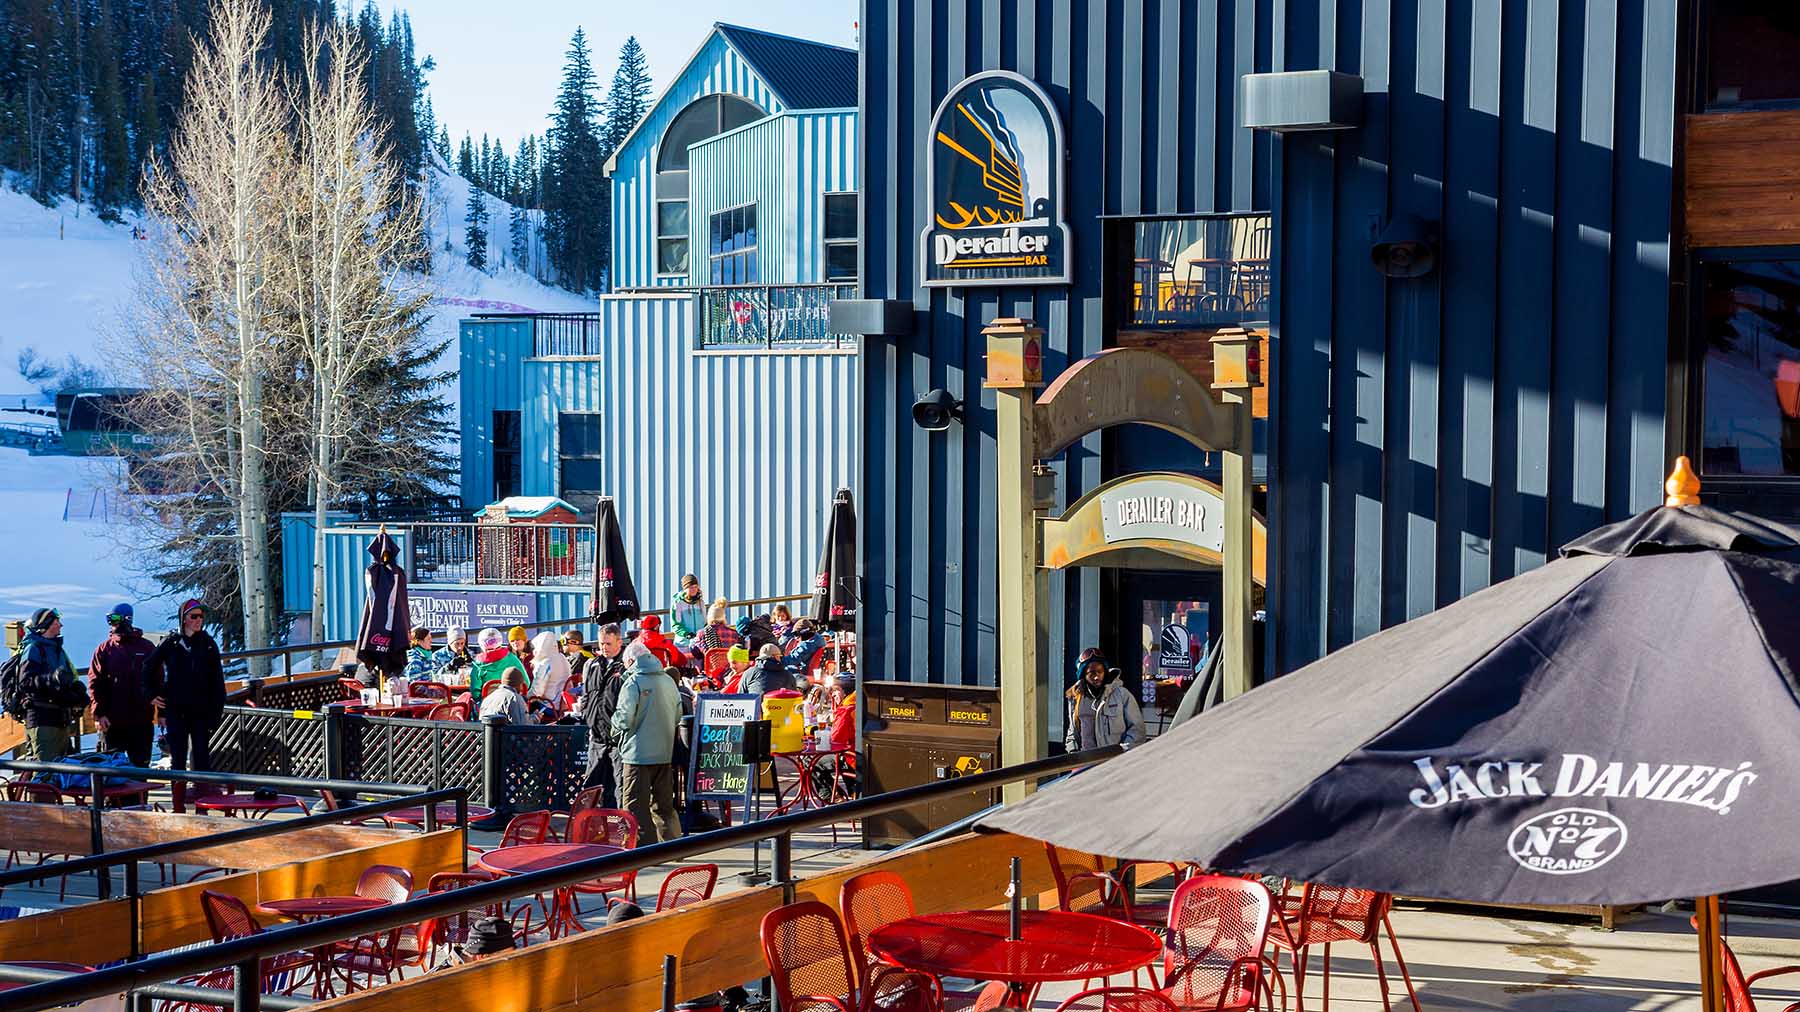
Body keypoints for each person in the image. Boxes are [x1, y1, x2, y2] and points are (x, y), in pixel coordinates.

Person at [610, 652, 684, 845]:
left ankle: (642, 848)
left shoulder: (633, 682)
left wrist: (614, 730)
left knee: (635, 805)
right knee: (664, 804)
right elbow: (678, 716)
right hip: (664, 752)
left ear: (631, 661)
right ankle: (673, 846)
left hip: (637, 754)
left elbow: (624, 717)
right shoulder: (668, 681)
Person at [145, 599, 226, 772]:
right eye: (194, 616)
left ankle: (202, 794)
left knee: (202, 758)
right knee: (178, 759)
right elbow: (148, 668)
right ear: (183, 619)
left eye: (202, 617)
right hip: (176, 711)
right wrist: (150, 694)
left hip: (201, 711)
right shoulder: (171, 643)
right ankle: (178, 798)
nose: (199, 620)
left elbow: (217, 682)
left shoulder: (208, 644)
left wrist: (215, 713)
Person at [88, 602, 158, 766]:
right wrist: (99, 714)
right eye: (109, 619)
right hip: (113, 722)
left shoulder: (146, 647)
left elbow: (158, 680)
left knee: (140, 769)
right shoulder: (104, 650)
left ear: (128, 619)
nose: (112, 623)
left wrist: (162, 712)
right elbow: (95, 683)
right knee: (112, 769)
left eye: (115, 618)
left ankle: (140, 793)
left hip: (141, 720)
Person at [17, 608, 86, 764]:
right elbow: (25, 683)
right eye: (56, 622)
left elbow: (65, 680)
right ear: (46, 625)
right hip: (42, 719)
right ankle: (35, 789)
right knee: (45, 773)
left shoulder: (57, 649)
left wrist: (77, 693)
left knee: (61, 772)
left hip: (60, 719)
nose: (61, 625)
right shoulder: (33, 648)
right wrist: (51, 679)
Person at [580, 623, 628, 805]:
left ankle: (618, 825)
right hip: (597, 735)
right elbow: (587, 694)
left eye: (608, 644)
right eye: (601, 644)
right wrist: (586, 712)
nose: (604, 648)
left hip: (616, 737)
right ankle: (591, 824)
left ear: (619, 642)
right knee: (591, 784)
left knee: (618, 786)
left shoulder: (625, 665)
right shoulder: (592, 665)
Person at [1063, 649, 1144, 752]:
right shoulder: (1076, 698)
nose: (1097, 677)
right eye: (1091, 673)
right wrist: (1073, 752)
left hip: (1114, 762)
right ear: (1083, 675)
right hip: (1084, 762)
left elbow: (1138, 730)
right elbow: (1072, 732)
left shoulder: (1122, 695)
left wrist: (1121, 751)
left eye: (1100, 671)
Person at [470, 628, 528, 698]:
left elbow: (475, 692)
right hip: (512, 703)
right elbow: (526, 684)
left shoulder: (478, 664)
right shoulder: (512, 658)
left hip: (487, 705)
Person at [527, 630, 573, 705]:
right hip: (565, 703)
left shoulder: (545, 663)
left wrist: (524, 696)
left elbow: (537, 692)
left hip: (550, 705)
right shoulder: (562, 657)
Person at [669, 574, 706, 642]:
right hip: (683, 643)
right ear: (685, 589)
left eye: (695, 587)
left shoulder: (700, 603)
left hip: (700, 643)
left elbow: (705, 623)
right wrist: (686, 634)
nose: (694, 589)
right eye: (691, 587)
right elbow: (676, 624)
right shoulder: (678, 603)